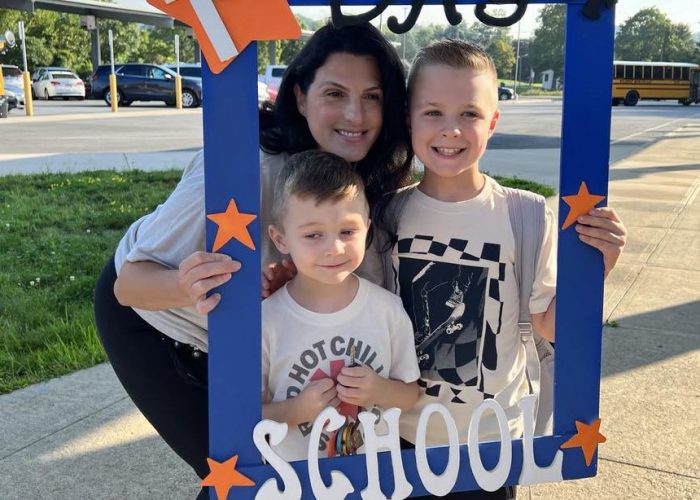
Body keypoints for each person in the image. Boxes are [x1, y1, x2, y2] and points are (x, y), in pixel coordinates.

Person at [93, 22, 412, 498]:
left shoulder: (363, 176)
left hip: (249, 333)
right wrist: (190, 285)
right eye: (335, 93)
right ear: (300, 98)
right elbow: (129, 284)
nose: (355, 112)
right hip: (157, 323)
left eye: (372, 96)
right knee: (246, 473)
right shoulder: (242, 167)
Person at [376, 40, 626, 499]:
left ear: (492, 121)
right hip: (399, 438)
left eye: (469, 113)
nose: (451, 129)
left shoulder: (525, 214)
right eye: (432, 112)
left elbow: (549, 325)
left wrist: (593, 271)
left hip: (490, 442)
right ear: (408, 118)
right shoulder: (386, 215)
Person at [261, 150, 419, 461]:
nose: (333, 249)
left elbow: (410, 394)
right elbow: (243, 416)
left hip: (374, 482)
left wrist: (378, 390)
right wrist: (296, 410)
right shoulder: (267, 320)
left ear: (367, 229)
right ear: (280, 240)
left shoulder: (387, 310)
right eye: (313, 234)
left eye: (347, 232)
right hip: (295, 485)